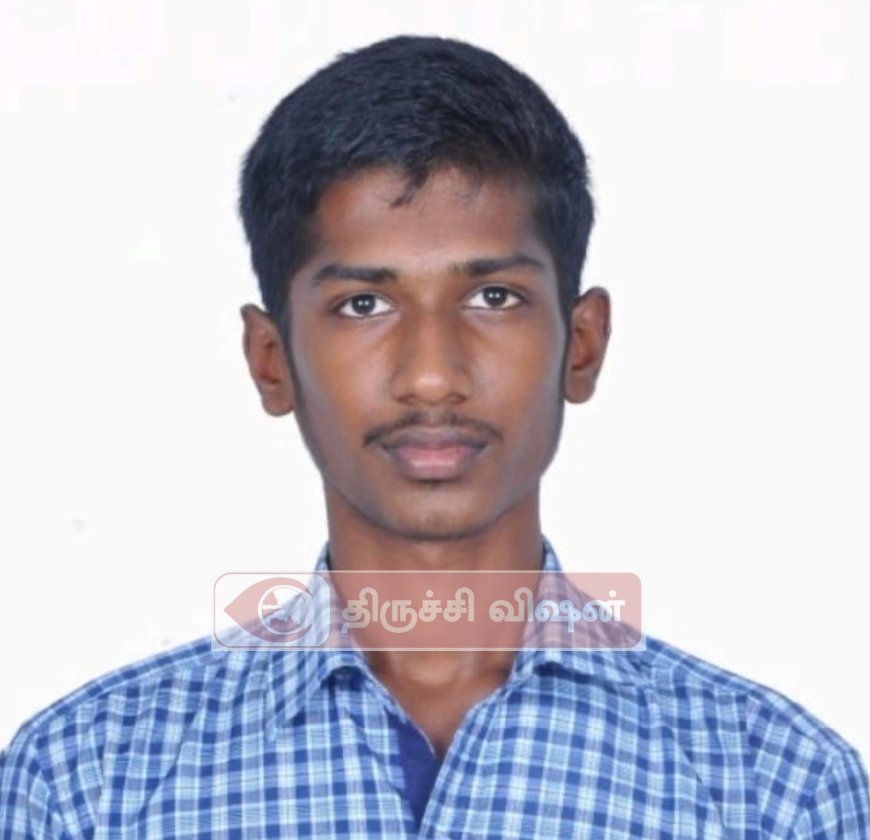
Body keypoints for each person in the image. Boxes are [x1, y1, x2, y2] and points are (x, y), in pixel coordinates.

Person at [1, 34, 868, 839]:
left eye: (493, 297)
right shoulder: (86, 785)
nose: (430, 375)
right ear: (272, 361)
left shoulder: (773, 792)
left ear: (582, 345)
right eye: (363, 304)